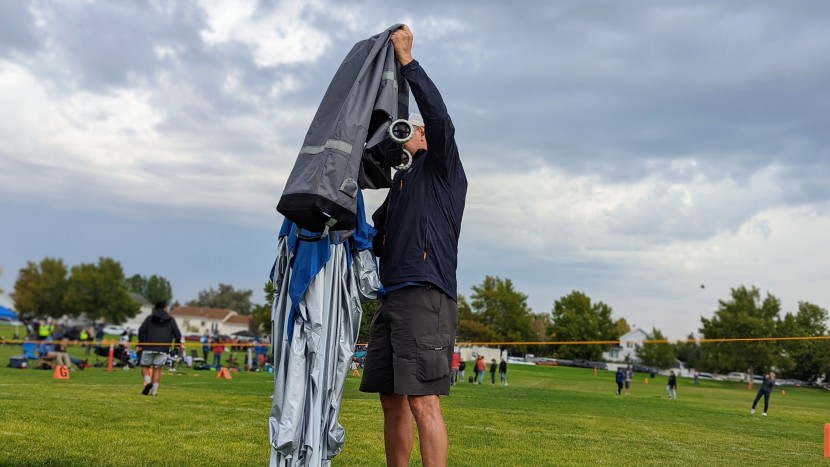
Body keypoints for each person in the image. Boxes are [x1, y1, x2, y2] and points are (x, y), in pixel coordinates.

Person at [358, 24, 467, 467]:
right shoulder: (401, 185)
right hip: (392, 296)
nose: (403, 135)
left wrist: (407, 63)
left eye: (410, 130)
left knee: (423, 401)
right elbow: (371, 232)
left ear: (424, 137)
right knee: (392, 399)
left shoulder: (443, 170)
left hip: (426, 294)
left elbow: (440, 118)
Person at [137, 301, 182, 396]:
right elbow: (177, 333)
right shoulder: (170, 319)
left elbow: (142, 330)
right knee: (157, 369)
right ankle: (154, 392)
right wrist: (178, 343)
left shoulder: (149, 318)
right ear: (165, 308)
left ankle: (148, 382)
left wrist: (140, 343)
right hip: (164, 347)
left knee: (145, 366)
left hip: (148, 346)